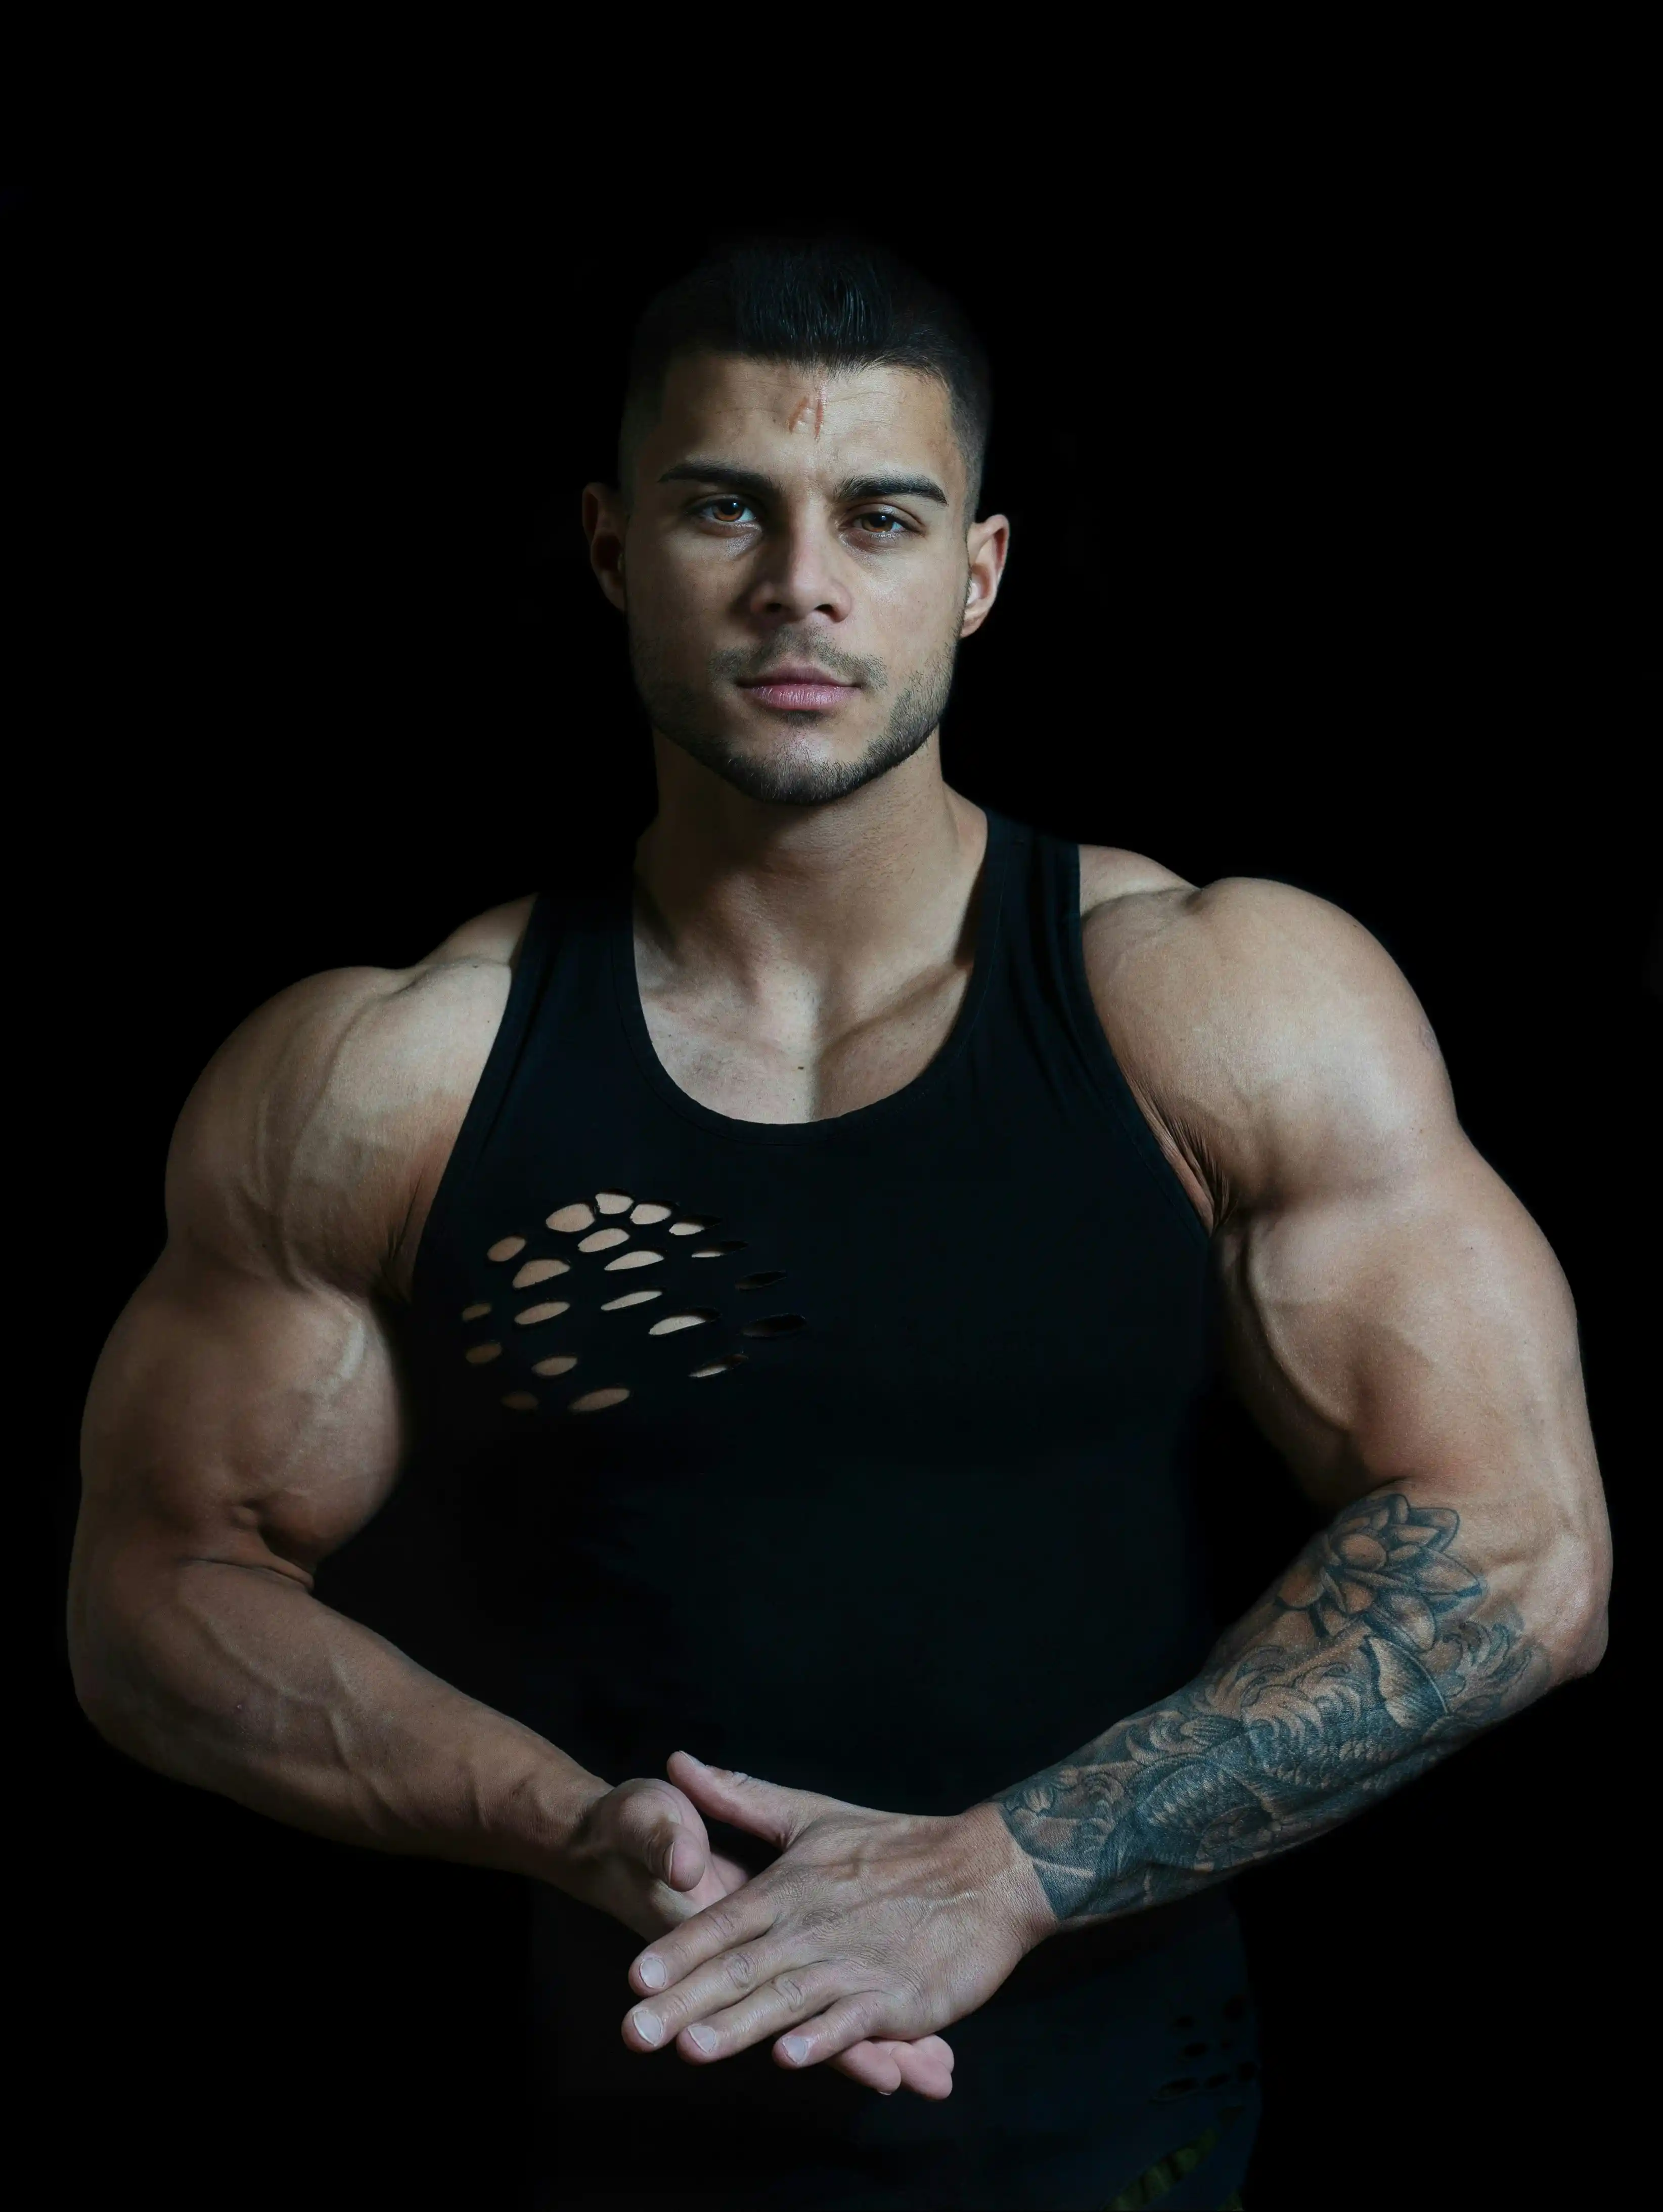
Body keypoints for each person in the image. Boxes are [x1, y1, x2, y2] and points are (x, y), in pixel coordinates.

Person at [69, 233, 1611, 2212]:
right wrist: (571, 1826)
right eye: (728, 506)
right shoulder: (393, 1075)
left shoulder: (1218, 1003)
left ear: (976, 572)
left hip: (1123, 2144)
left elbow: (1523, 1544)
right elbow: (151, 1589)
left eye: (880, 517)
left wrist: (1011, 1863)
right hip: (607, 2138)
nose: (802, 582)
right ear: (617, 553)